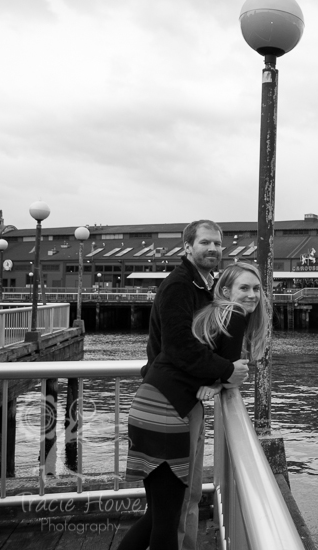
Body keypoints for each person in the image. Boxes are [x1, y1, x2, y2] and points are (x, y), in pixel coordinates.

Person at [117, 220, 249, 550]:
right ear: (187, 247)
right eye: (205, 242)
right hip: (165, 405)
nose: (213, 249)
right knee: (165, 518)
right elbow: (178, 347)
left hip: (166, 400)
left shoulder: (203, 288)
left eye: (218, 243)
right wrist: (226, 370)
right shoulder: (179, 286)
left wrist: (215, 381)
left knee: (161, 514)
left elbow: (191, 346)